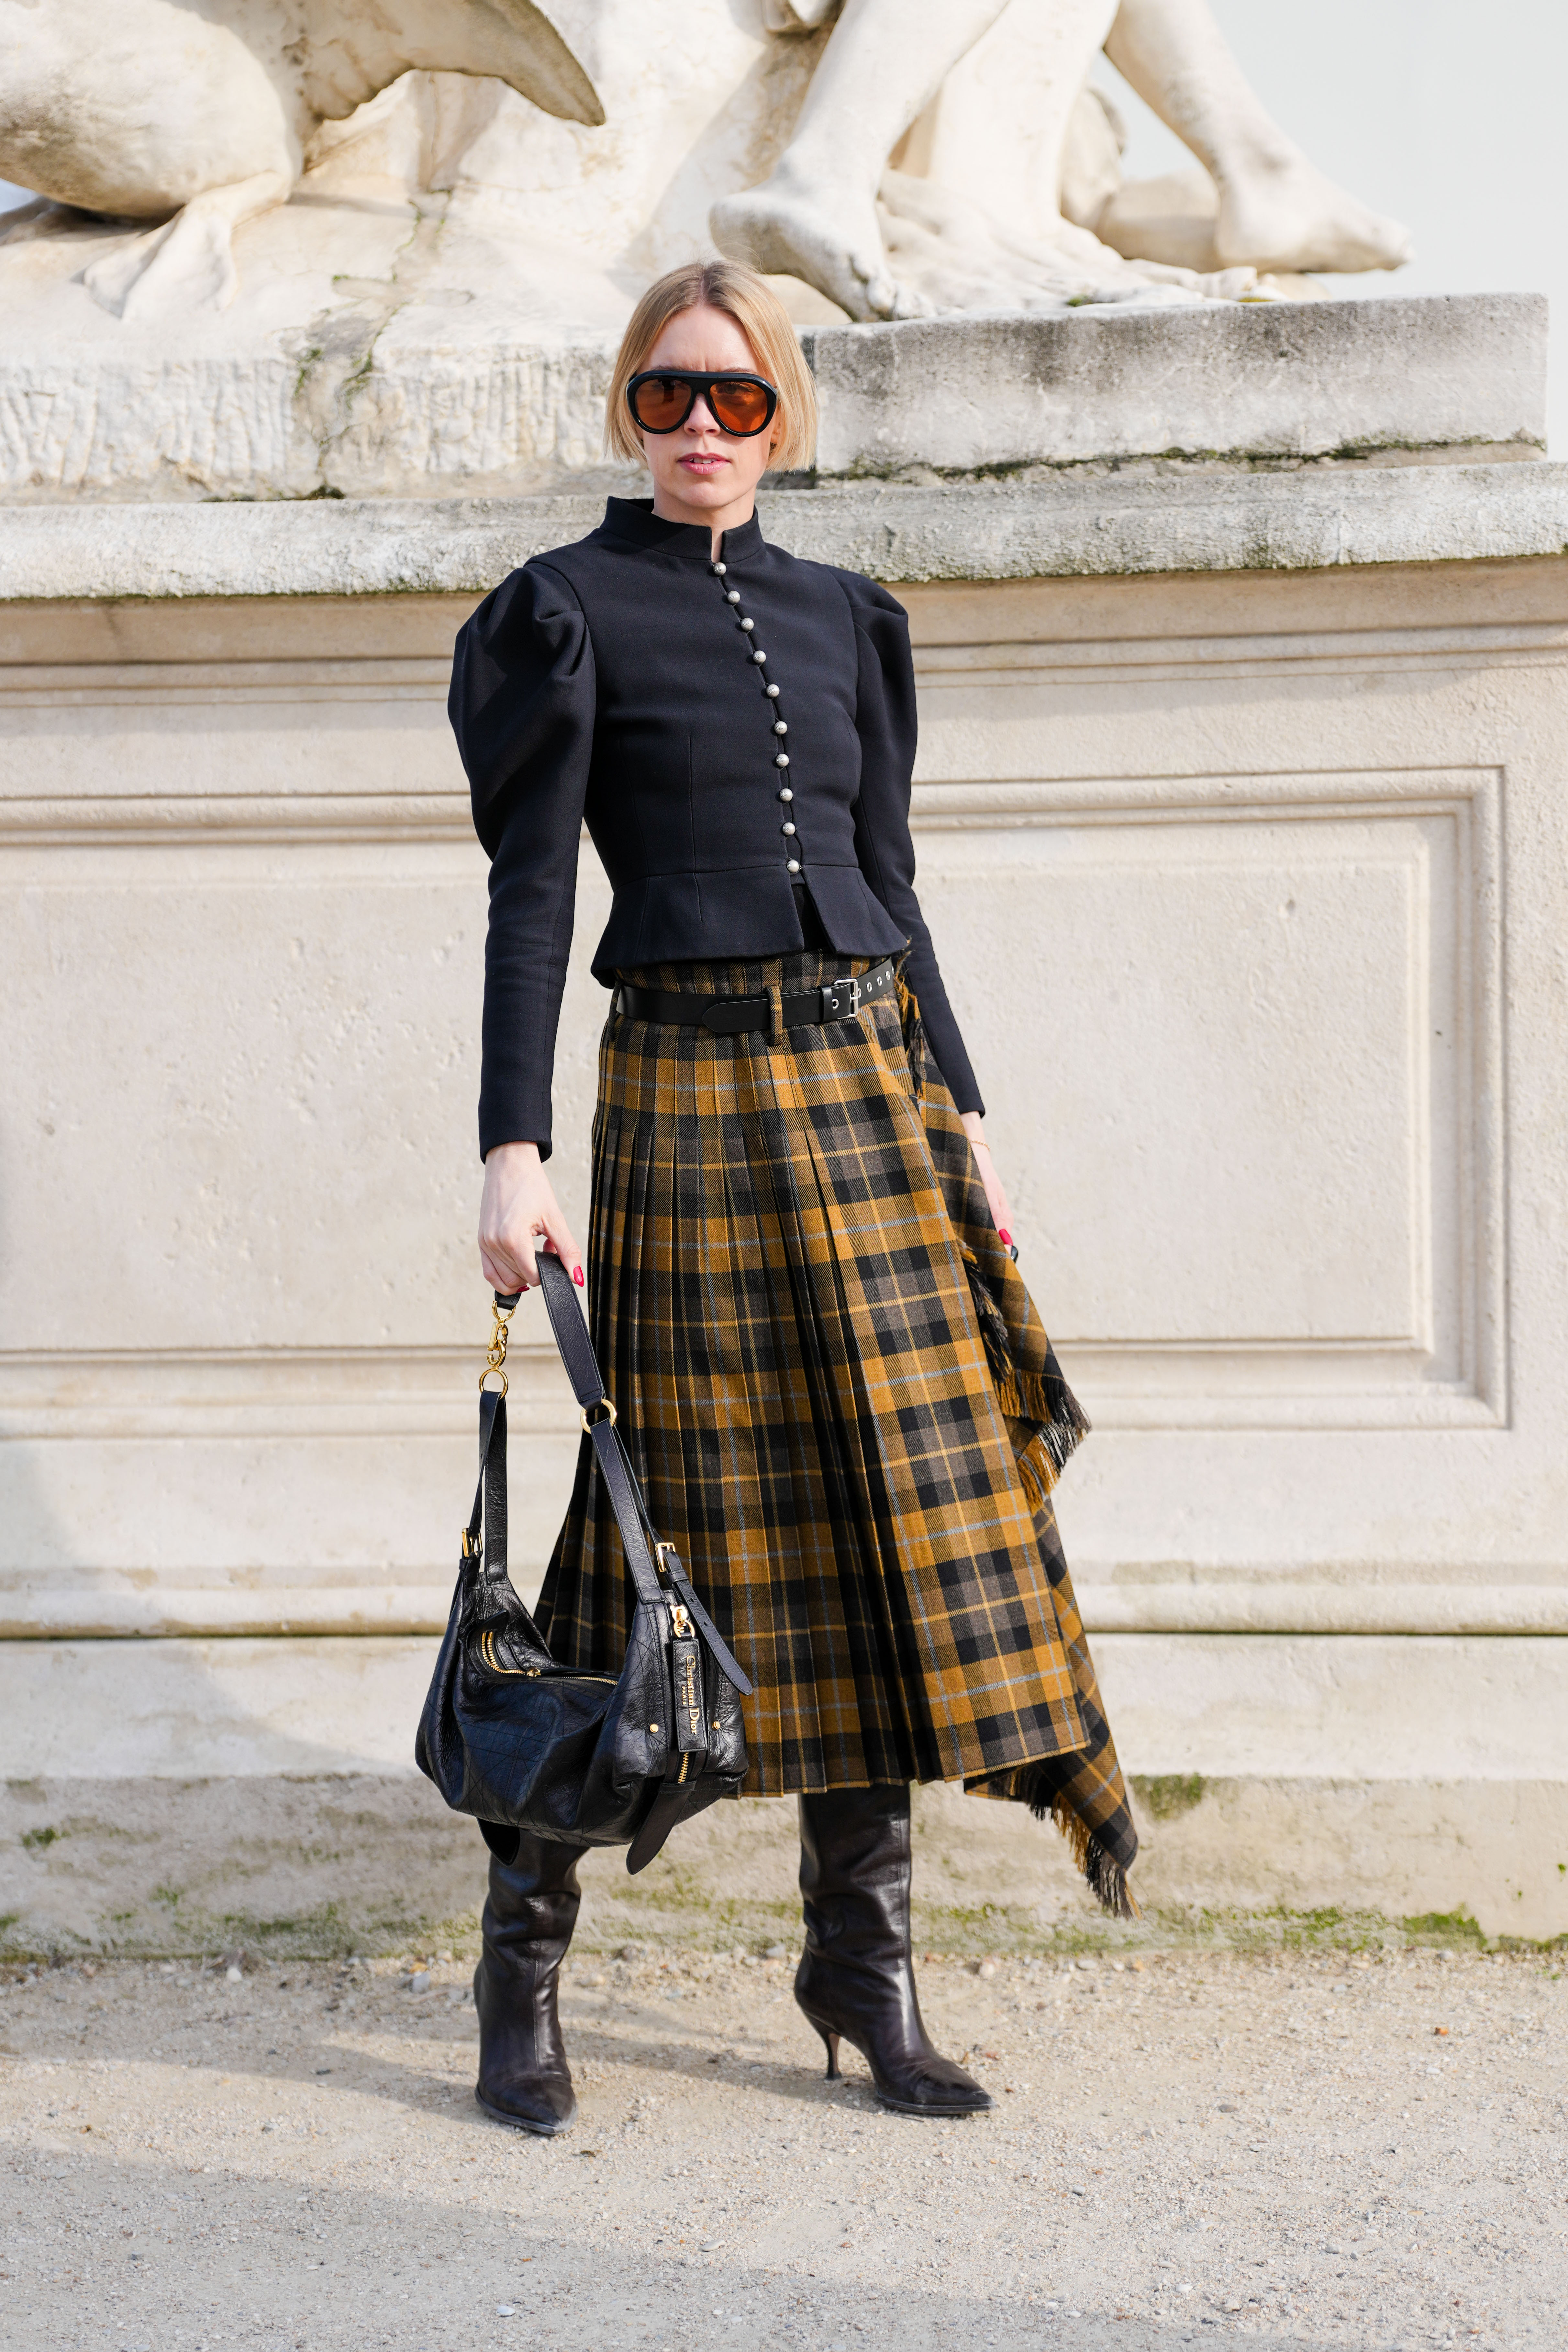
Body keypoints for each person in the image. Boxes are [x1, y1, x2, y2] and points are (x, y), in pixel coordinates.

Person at [448, 258, 1137, 2137]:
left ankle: (864, 1956)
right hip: (679, 1089)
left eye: (736, 401)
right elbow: (531, 901)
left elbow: (893, 890)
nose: (698, 429)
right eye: (667, 395)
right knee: (638, 1522)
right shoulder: (560, 617)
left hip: (867, 1085)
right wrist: (512, 1152)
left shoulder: (851, 621)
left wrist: (968, 1117)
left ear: (785, 416)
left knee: (887, 1511)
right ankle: (523, 1960)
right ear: (626, 408)